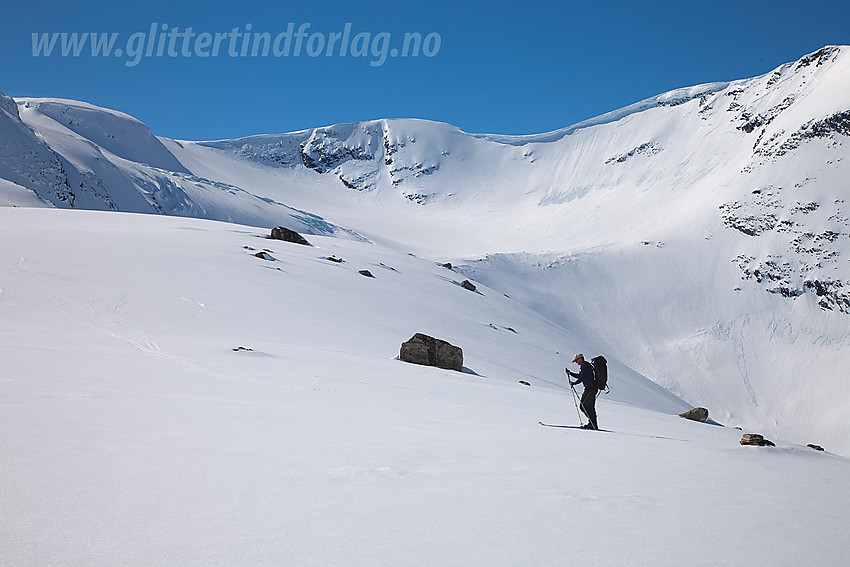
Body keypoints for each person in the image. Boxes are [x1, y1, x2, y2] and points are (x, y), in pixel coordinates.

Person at [566, 353, 598, 430]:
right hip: (592, 388)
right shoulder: (585, 365)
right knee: (589, 406)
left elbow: (582, 377)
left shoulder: (584, 365)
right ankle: (593, 424)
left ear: (580, 358)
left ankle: (592, 423)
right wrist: (570, 373)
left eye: (576, 361)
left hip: (590, 388)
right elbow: (580, 376)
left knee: (583, 406)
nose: (576, 362)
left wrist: (574, 383)